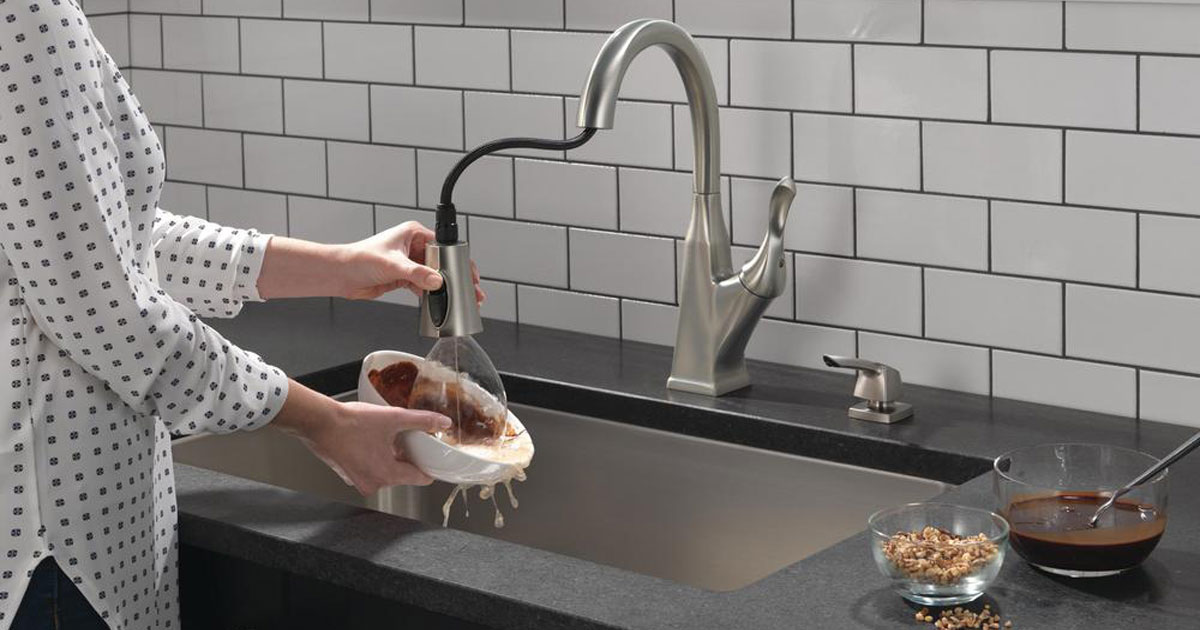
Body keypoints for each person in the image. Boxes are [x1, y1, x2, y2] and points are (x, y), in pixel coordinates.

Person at [0, 2, 483, 628]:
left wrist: (340, 265)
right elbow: (111, 313)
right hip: (60, 551)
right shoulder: (24, 18)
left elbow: (101, 245)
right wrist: (322, 419)